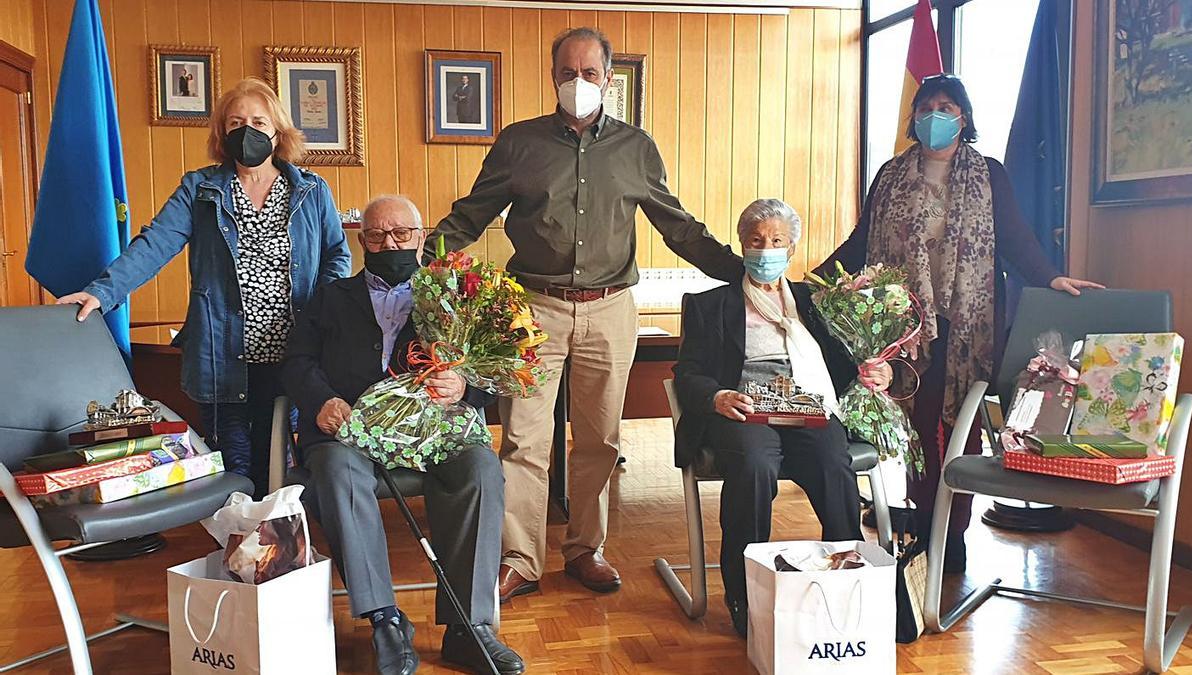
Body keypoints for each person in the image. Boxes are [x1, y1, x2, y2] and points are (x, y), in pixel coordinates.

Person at [426, 26, 743, 603]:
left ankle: (585, 549)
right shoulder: (518, 144)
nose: (578, 82)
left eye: (589, 73)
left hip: (611, 308)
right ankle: (520, 558)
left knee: (600, 437)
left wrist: (740, 271)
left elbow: (677, 226)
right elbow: (469, 216)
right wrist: (421, 259)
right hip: (531, 312)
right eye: (567, 73)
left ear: (608, 78)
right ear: (553, 78)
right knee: (523, 439)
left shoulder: (635, 148)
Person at [819, 74, 1102, 570]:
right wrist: (818, 279)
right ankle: (926, 527)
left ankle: (951, 535)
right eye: (926, 106)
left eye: (945, 106)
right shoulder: (890, 175)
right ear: (914, 117)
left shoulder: (988, 174)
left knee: (958, 428)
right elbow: (863, 242)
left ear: (963, 117)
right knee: (916, 428)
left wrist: (1052, 279)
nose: (934, 114)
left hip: (968, 324)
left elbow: (1015, 241)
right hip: (903, 323)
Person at [58, 77, 351, 496]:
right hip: (222, 356)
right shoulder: (201, 189)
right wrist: (103, 291)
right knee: (233, 468)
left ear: (277, 131)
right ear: (221, 133)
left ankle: (272, 551)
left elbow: (336, 257)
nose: (246, 131)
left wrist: (323, 321)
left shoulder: (310, 190)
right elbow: (156, 242)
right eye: (235, 123)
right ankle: (239, 546)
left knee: (276, 465)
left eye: (257, 121)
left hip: (292, 353)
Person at [281, 195, 524, 675]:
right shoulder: (328, 298)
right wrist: (321, 401)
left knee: (480, 469)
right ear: (361, 241)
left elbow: (492, 373)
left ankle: (468, 627)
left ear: (421, 236)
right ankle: (385, 621)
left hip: (435, 431)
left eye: (401, 235)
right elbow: (296, 363)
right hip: (349, 431)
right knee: (333, 470)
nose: (388, 243)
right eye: (376, 236)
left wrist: (462, 385)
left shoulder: (454, 296)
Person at [673, 199, 892, 638]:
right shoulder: (710, 305)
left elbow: (846, 362)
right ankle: (746, 592)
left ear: (792, 249)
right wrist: (716, 396)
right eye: (756, 241)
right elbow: (688, 372)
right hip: (744, 408)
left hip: (808, 405)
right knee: (754, 467)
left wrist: (878, 369)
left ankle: (847, 579)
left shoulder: (816, 303)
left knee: (833, 464)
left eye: (776, 241)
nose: (765, 249)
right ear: (742, 245)